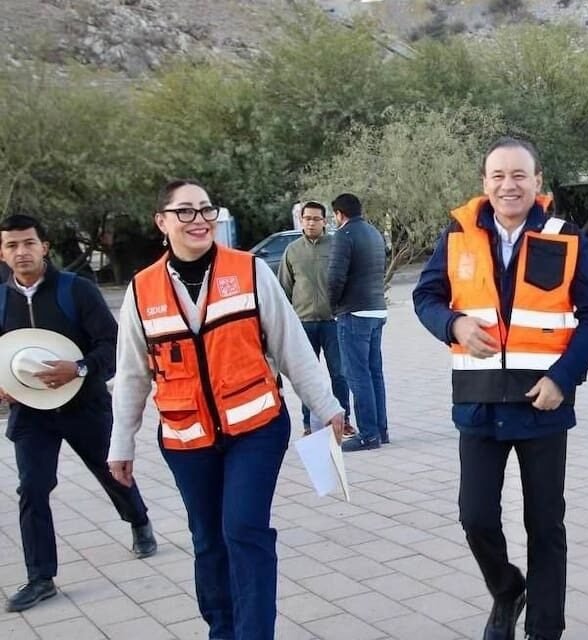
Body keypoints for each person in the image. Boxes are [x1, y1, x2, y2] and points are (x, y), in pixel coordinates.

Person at [107, 179, 345, 640]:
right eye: (185, 212)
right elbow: (133, 374)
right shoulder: (142, 291)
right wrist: (122, 444)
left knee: (243, 529)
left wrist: (328, 409)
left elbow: (292, 345)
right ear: (162, 222)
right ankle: (223, 630)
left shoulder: (250, 271)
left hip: (256, 429)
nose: (199, 220)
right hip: (185, 439)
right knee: (208, 540)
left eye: (206, 210)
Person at [413, 137, 588, 640]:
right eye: (498, 175)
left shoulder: (566, 238)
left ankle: (546, 629)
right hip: (477, 406)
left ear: (537, 181)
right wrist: (453, 325)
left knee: (546, 527)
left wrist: (563, 380)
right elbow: (426, 296)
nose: (508, 184)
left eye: (519, 175)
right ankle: (507, 590)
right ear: (484, 183)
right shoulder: (456, 236)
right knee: (475, 517)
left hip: (542, 405)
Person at [0, 214, 157, 613]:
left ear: (44, 246)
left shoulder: (77, 290)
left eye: (29, 243)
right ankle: (41, 577)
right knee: (32, 488)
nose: (22, 252)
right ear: (2, 253)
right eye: (12, 245)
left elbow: (113, 346)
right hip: (31, 413)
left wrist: (80, 368)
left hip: (84, 405)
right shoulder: (1, 300)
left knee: (111, 470)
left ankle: (138, 519)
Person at [279, 201, 353, 437]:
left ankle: (345, 420)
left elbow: (347, 280)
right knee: (306, 376)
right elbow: (285, 287)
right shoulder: (292, 250)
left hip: (333, 322)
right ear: (301, 220)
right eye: (307, 218)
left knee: (339, 373)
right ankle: (309, 424)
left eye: (316, 219)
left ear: (325, 221)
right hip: (303, 323)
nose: (311, 222)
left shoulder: (336, 246)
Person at [327, 192, 390, 451]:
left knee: (358, 375)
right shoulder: (374, 233)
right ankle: (381, 430)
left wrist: (333, 306)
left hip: (354, 313)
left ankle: (368, 434)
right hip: (376, 310)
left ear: (340, 214)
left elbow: (335, 277)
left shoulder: (344, 235)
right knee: (374, 373)